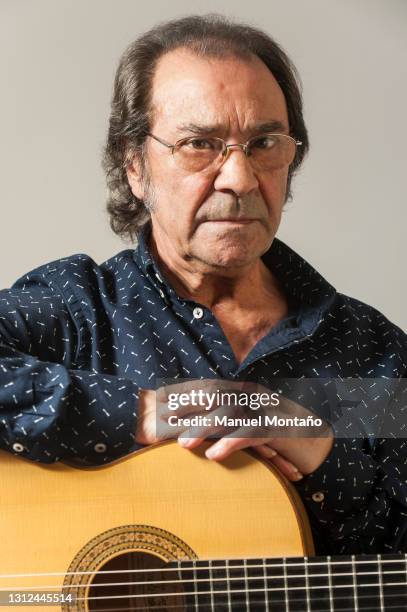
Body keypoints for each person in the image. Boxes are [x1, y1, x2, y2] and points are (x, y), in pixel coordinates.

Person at [0, 14, 406, 556]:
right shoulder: (79, 309)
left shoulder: (369, 353)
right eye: (198, 143)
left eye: (265, 142)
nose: (239, 179)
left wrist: (322, 454)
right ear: (135, 168)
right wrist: (141, 411)